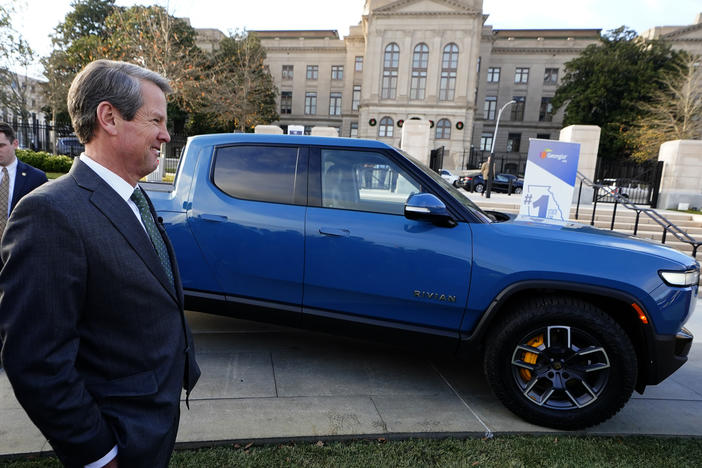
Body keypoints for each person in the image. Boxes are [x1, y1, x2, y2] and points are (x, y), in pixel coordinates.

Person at [0, 60, 200, 468]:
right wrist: (99, 454)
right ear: (109, 117)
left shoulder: (135, 196)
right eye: (156, 120)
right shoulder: (49, 213)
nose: (166, 134)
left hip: (151, 419)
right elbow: (37, 362)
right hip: (116, 436)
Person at [0, 122, 48, 236]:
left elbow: (44, 218)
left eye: (1, 145)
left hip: (21, 247)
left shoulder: (36, 178)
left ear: (15, 144)